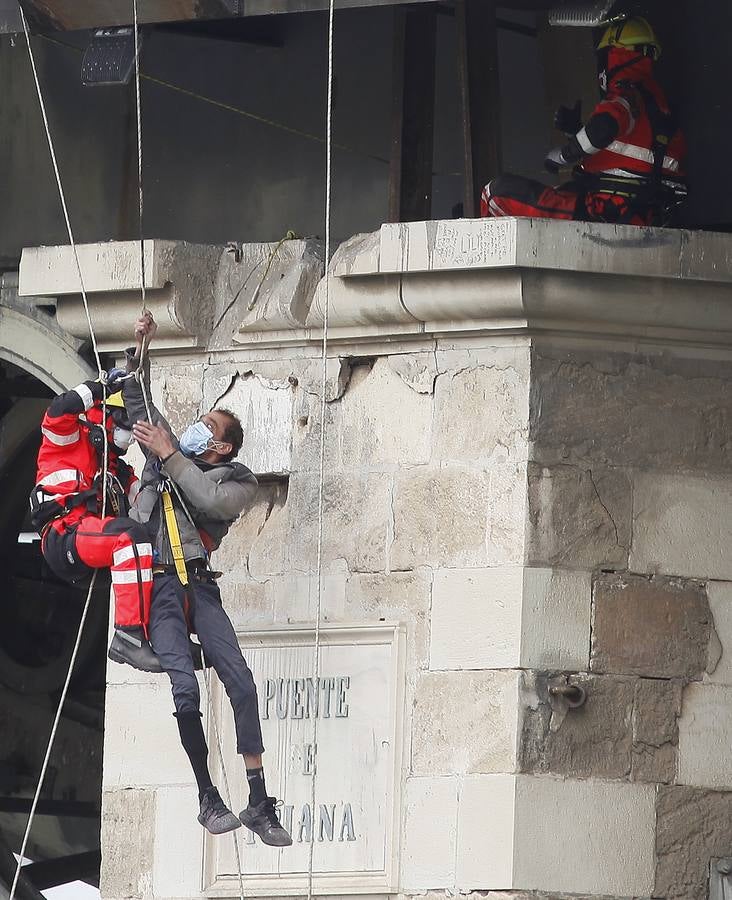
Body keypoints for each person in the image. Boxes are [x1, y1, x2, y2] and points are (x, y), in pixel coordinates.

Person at [122, 312, 292, 845]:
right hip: (161, 588)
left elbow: (207, 498)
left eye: (208, 428)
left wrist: (171, 455)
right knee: (184, 688)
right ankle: (207, 796)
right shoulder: (166, 456)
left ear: (221, 447)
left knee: (240, 680)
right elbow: (138, 405)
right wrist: (139, 349)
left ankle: (259, 798)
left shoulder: (234, 479)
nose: (196, 429)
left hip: (199, 583)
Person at [481, 16, 687, 226]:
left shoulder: (626, 94)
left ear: (616, 55)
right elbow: (629, 155)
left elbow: (604, 128)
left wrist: (564, 154)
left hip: (605, 208)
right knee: (565, 191)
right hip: (636, 211)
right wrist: (576, 130)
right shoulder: (658, 106)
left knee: (496, 193)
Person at [31, 372, 161, 672]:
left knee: (153, 549)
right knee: (129, 537)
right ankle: (128, 637)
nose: (127, 433)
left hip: (93, 551)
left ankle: (170, 634)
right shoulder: (67, 439)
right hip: (65, 537)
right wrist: (101, 387)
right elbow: (60, 408)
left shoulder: (116, 470)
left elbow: (145, 499)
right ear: (102, 417)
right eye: (123, 422)